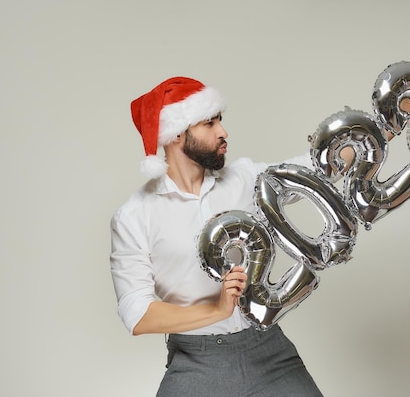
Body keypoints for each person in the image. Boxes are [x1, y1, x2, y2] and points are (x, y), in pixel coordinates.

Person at [110, 76, 324, 396]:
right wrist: (216, 310)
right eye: (209, 123)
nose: (223, 132)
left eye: (220, 121)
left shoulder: (244, 178)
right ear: (177, 133)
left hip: (269, 353)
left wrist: (384, 131)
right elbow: (137, 313)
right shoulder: (135, 216)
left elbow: (315, 169)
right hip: (197, 363)